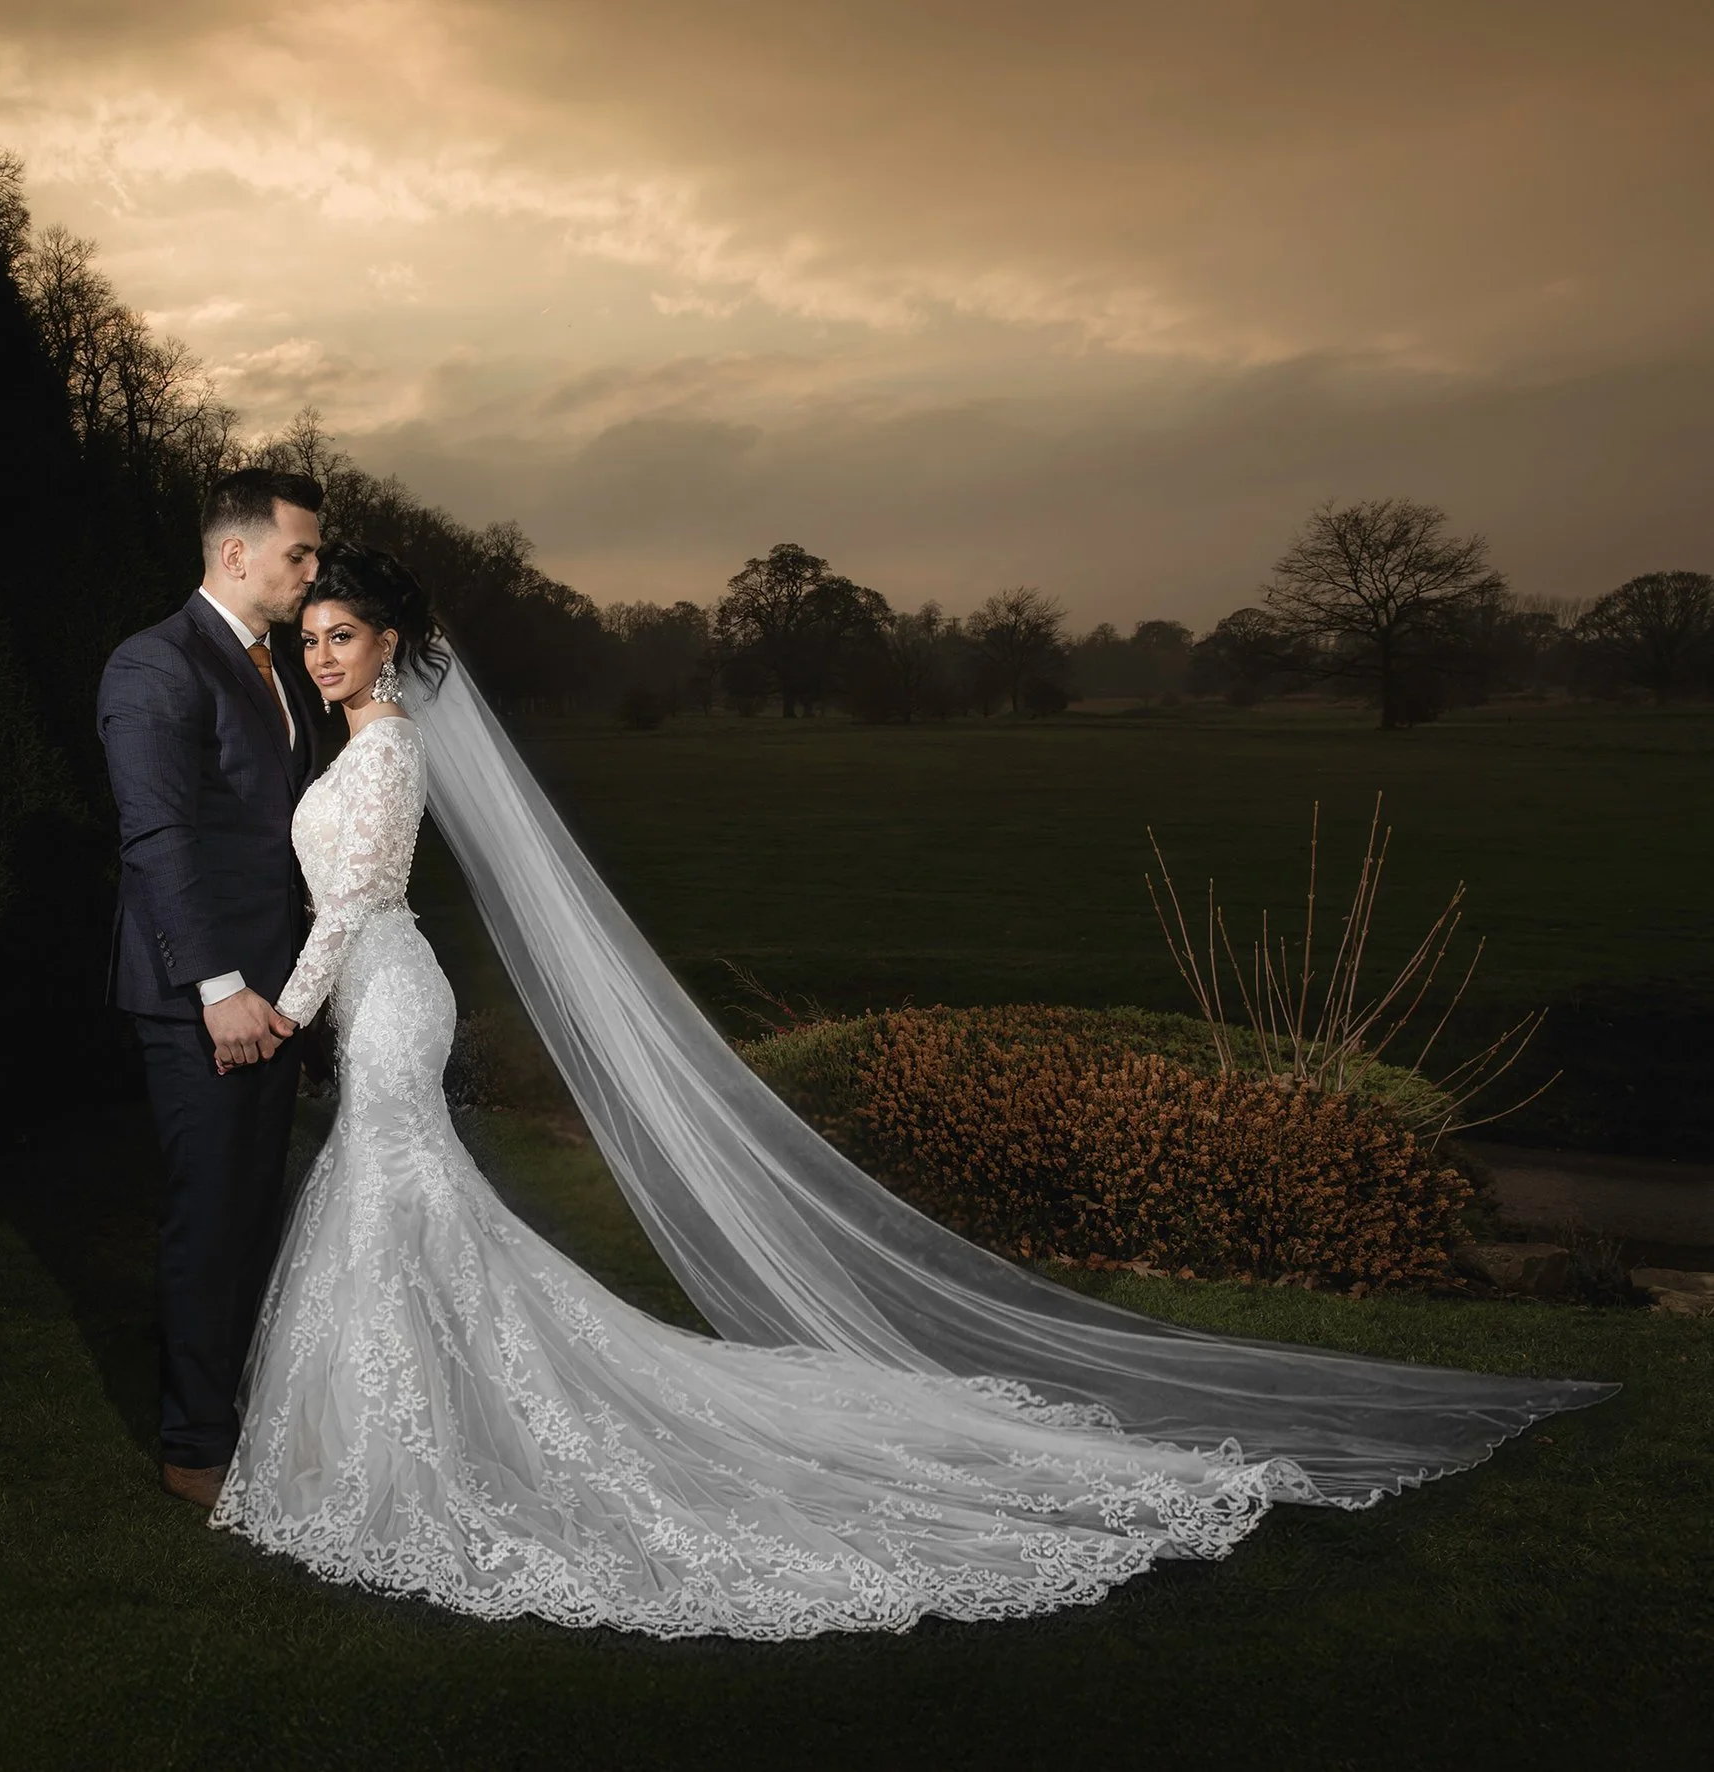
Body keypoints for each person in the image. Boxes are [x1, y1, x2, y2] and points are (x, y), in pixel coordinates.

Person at [204, 539, 1609, 1640]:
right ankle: (400, 1436)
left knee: (396, 1201)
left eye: (342, 636)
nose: (321, 655)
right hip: (383, 993)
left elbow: (361, 900)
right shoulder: (354, 735)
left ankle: (411, 1449)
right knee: (404, 1210)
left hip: (384, 994)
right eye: (311, 636)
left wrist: (284, 1015)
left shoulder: (388, 747)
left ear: (392, 644)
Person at [96, 467, 326, 1510]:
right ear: (235, 554)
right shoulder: (154, 663)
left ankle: (239, 1405)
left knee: (250, 1214)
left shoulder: (275, 665)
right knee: (208, 1215)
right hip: (207, 995)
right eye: (299, 553)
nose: (312, 571)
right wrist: (221, 985)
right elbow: (157, 838)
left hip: (276, 989)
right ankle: (195, 1445)